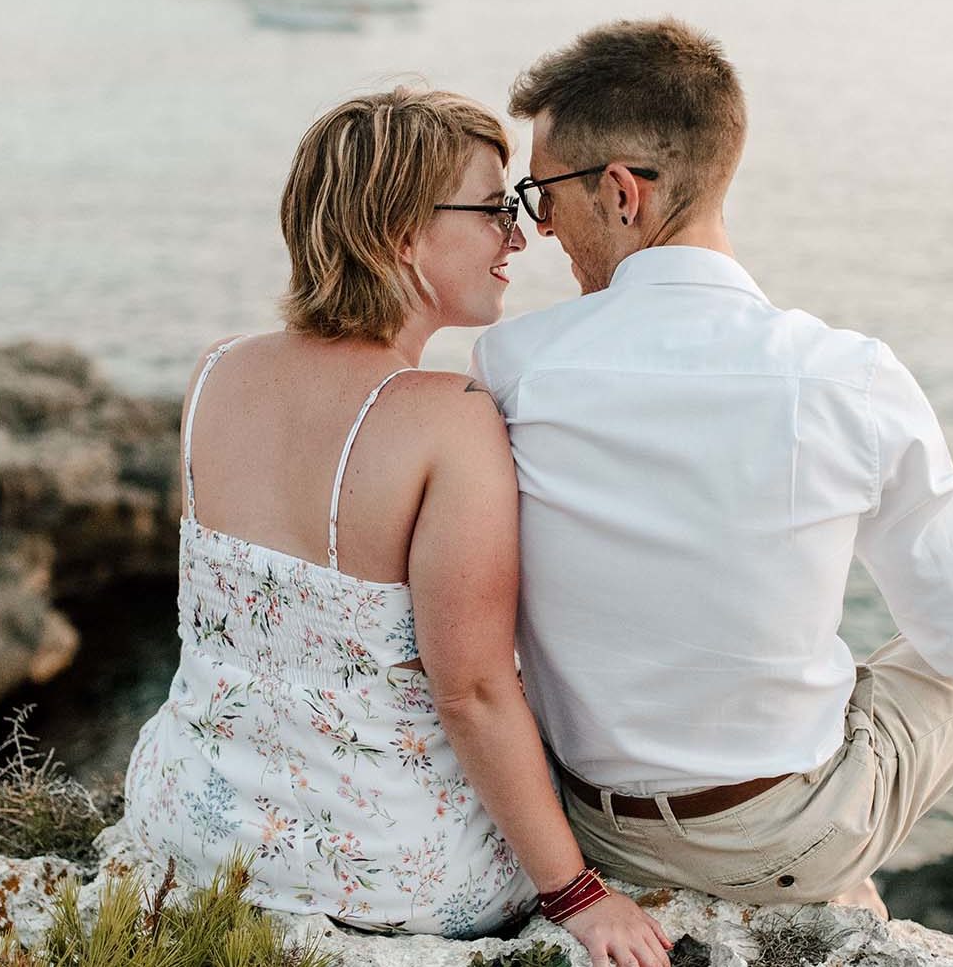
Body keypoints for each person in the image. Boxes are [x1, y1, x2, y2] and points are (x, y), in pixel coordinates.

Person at [470, 20, 953, 967]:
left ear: (621, 192)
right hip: (788, 835)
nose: (538, 226)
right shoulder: (849, 377)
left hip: (596, 834)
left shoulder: (513, 365)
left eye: (542, 195)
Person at [115, 88, 673, 967]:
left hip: (188, 827)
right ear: (400, 236)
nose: (518, 239)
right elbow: (474, 693)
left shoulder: (213, 372)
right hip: (381, 873)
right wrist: (581, 897)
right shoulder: (445, 419)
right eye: (494, 211)